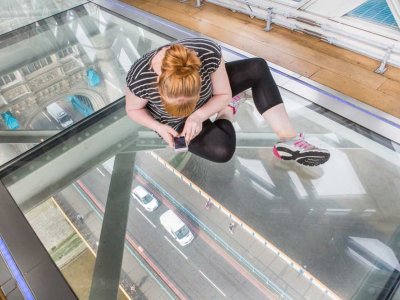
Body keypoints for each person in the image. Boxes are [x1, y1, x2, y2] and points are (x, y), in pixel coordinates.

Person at [125, 37, 330, 166]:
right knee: (222, 151)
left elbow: (222, 93)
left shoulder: (207, 52)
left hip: (210, 97)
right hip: (172, 122)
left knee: (257, 67)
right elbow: (133, 110)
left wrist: (198, 114)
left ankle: (289, 139)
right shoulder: (139, 78)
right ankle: (228, 112)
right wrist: (159, 127)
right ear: (159, 85)